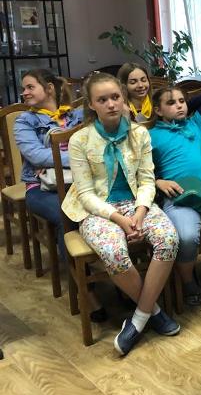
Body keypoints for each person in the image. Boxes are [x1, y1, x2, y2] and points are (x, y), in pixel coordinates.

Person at [62, 72, 180, 356]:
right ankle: (153, 312)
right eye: (102, 100)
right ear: (91, 104)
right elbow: (85, 194)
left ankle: (138, 319)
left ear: (123, 98)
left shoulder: (139, 134)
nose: (111, 104)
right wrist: (118, 219)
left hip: (137, 203)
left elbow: (147, 180)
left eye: (115, 97)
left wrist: (139, 212)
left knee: (169, 239)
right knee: (113, 251)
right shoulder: (80, 140)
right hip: (98, 210)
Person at [14, 69, 106, 319]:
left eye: (30, 87)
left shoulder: (77, 114)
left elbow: (100, 140)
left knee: (107, 210)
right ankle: (88, 293)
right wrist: (80, 156)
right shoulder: (24, 121)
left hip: (81, 183)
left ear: (49, 88)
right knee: (68, 217)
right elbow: (36, 155)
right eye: (24, 88)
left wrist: (69, 158)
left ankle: (112, 269)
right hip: (41, 188)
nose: (25, 92)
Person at [149, 85, 201, 306]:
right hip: (179, 197)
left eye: (181, 101)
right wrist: (158, 181)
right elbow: (140, 170)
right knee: (186, 237)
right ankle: (188, 281)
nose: (179, 106)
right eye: (171, 103)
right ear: (157, 110)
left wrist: (180, 106)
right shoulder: (151, 135)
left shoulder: (196, 124)